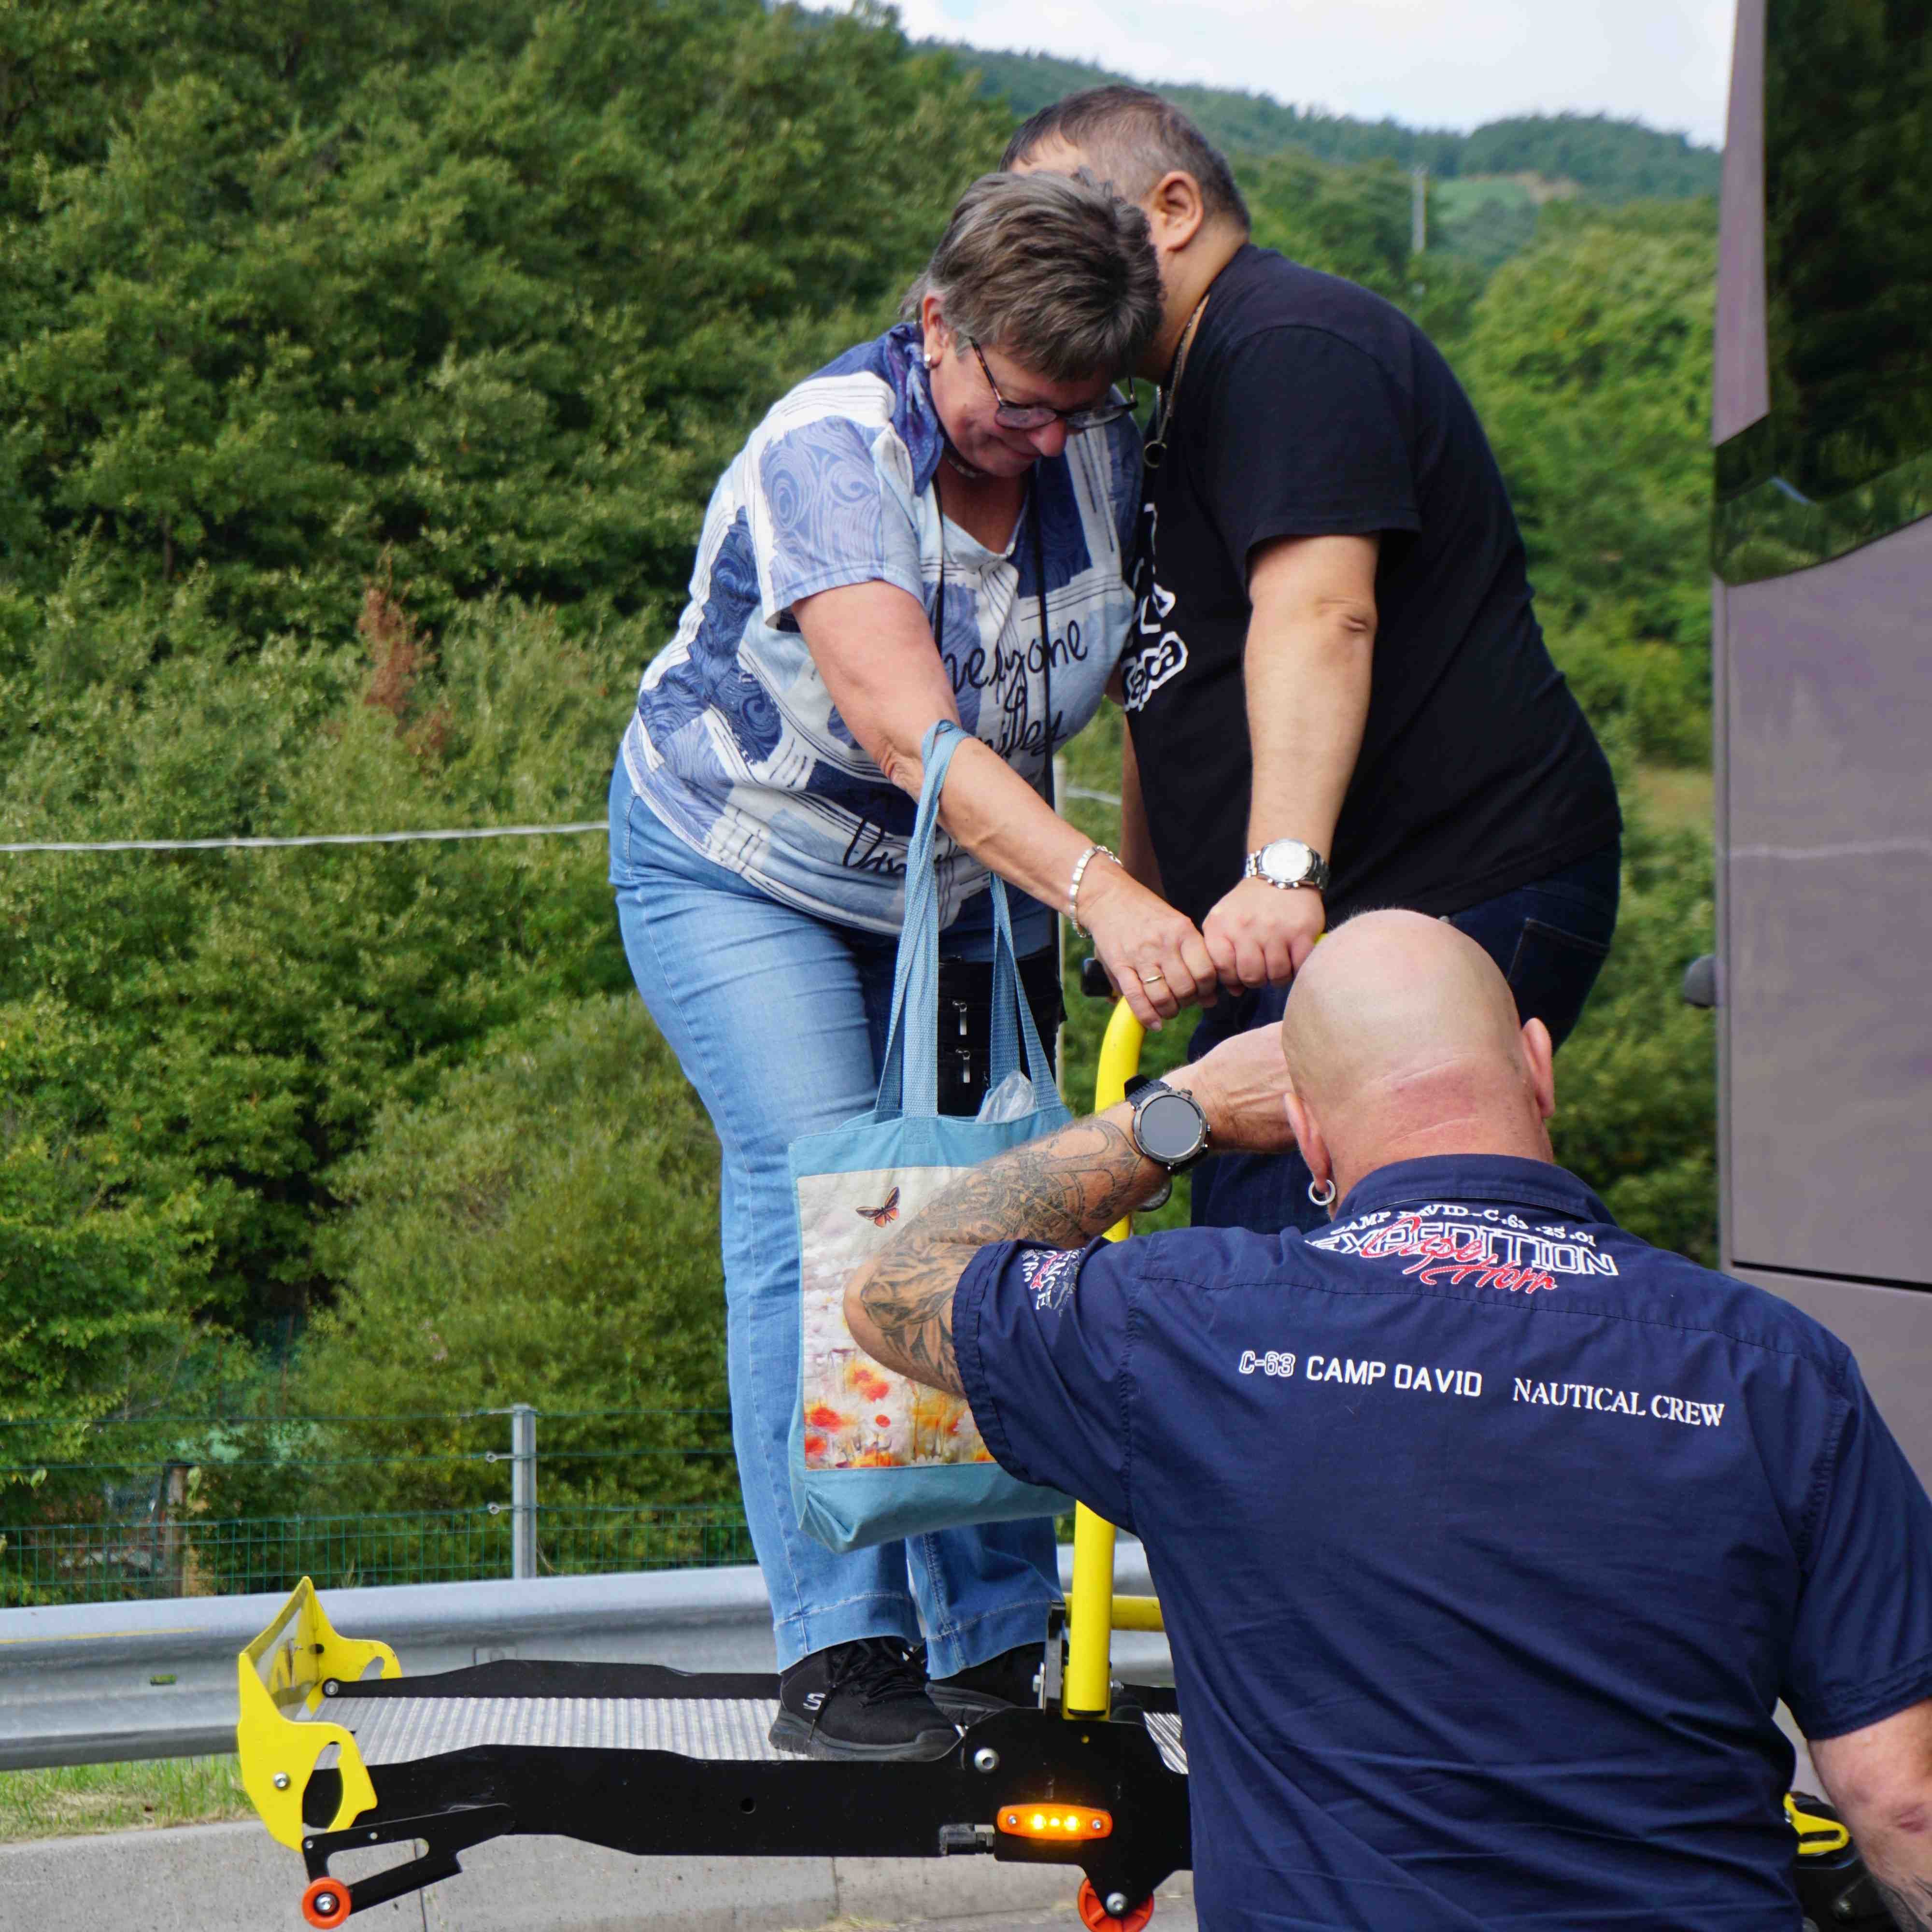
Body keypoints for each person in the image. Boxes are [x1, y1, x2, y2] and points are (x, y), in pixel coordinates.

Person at [847, 911, 1932, 1930]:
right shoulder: (1778, 1370)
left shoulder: (1179, 1327)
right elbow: (1900, 1804)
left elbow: (892, 1284)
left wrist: (1178, 1111)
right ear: (1538, 1069)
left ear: (1307, 1137)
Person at [609, 170, 1217, 1763]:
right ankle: (838, 1656)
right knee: (826, 1195)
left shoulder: (1094, 446)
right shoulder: (833, 453)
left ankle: (991, 1636)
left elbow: (1152, 690)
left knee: (992, 1209)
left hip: (962, 889)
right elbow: (904, 725)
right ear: (937, 321)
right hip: (747, 864)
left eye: (1075, 408)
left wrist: (1140, 887)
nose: (1044, 438)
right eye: (1018, 405)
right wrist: (1102, 896)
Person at [1005, 88, 1625, 1238]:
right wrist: (1149, 909)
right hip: (1304, 917)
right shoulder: (1173, 401)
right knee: (1261, 1241)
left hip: (1448, 884)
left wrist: (1282, 869)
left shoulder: (1287, 344)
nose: (1041, 250)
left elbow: (1320, 611)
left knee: (1314, 1256)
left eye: (1062, 208)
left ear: (1172, 207)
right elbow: (1166, 682)